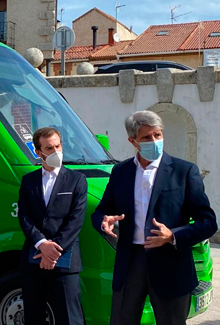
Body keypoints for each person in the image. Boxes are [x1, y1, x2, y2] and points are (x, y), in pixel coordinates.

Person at [91, 110, 218, 325]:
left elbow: (208, 222)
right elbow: (101, 211)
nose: (154, 141)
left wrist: (173, 236)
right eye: (146, 137)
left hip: (171, 265)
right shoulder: (121, 172)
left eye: (157, 135)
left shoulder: (184, 171)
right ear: (133, 141)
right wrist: (103, 221)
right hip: (130, 263)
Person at [18, 127, 87, 325]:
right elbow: (24, 216)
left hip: (65, 260)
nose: (56, 151)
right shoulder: (28, 180)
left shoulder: (77, 180)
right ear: (38, 152)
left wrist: (54, 250)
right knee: (33, 316)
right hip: (34, 258)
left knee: (70, 318)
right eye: (49, 148)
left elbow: (76, 220)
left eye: (58, 146)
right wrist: (41, 243)